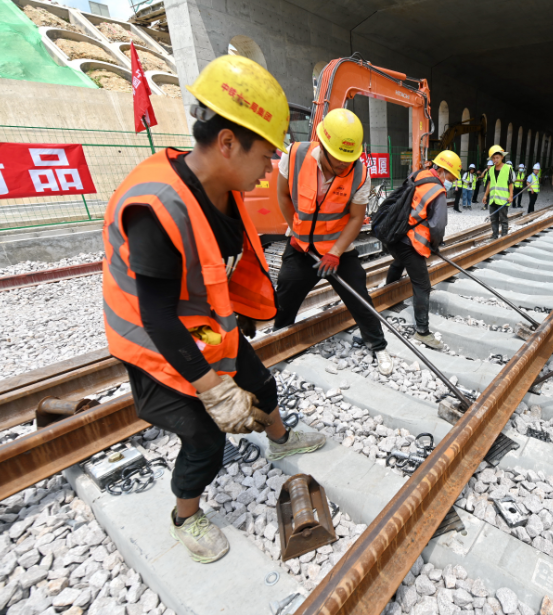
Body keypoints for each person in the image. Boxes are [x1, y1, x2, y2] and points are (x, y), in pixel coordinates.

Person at [101, 56, 327, 565]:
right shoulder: (157, 206)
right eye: (266, 154)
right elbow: (156, 315)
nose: (271, 167)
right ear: (228, 143)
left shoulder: (224, 188)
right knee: (204, 435)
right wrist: (214, 390)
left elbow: (214, 270)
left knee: (262, 384)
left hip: (201, 329)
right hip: (153, 340)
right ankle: (185, 514)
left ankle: (282, 440)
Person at [274, 108, 393, 376]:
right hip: (300, 248)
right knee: (286, 293)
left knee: (359, 297)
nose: (344, 166)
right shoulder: (294, 156)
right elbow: (282, 195)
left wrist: (336, 252)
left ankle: (378, 345)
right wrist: (296, 232)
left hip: (338, 250)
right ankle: (278, 342)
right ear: (323, 146)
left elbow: (355, 219)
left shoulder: (360, 173)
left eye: (348, 160)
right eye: (338, 159)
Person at [385, 150, 461, 349]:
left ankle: (387, 298)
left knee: (399, 261)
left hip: (393, 233)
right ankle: (422, 332)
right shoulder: (438, 191)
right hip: (409, 241)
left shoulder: (418, 174)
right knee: (422, 285)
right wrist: (435, 244)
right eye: (452, 176)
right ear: (443, 171)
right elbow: (438, 226)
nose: (451, 181)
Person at [484, 145, 515, 239]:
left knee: (503, 218)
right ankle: (495, 235)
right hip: (493, 199)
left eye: (497, 157)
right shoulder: (491, 170)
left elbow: (510, 183)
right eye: (493, 158)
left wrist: (511, 195)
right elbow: (489, 183)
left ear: (502, 157)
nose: (495, 160)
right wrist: (485, 195)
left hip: (503, 199)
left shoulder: (508, 168)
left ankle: (504, 235)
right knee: (493, 218)